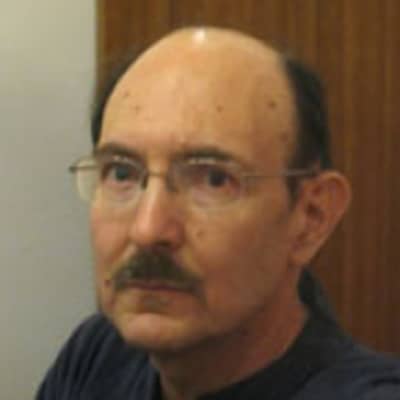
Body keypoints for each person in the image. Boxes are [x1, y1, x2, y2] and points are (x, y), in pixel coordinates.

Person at [36, 27, 400, 400]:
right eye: (121, 173)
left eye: (213, 180)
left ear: (311, 217)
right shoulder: (99, 358)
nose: (147, 229)